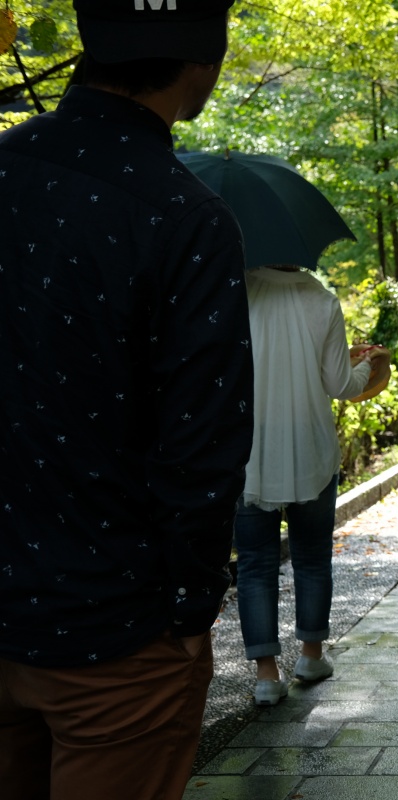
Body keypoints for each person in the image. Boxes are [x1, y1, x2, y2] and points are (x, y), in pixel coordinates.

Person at [0, 2, 253, 798]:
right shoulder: (183, 214)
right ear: (201, 63)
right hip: (115, 630)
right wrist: (188, 610)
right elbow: (202, 441)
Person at [235, 265, 391, 706]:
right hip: (310, 450)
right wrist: (367, 364)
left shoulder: (239, 291)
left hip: (250, 451)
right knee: (311, 559)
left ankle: (266, 676)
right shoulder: (322, 300)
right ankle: (310, 655)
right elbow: (339, 384)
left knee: (254, 566)